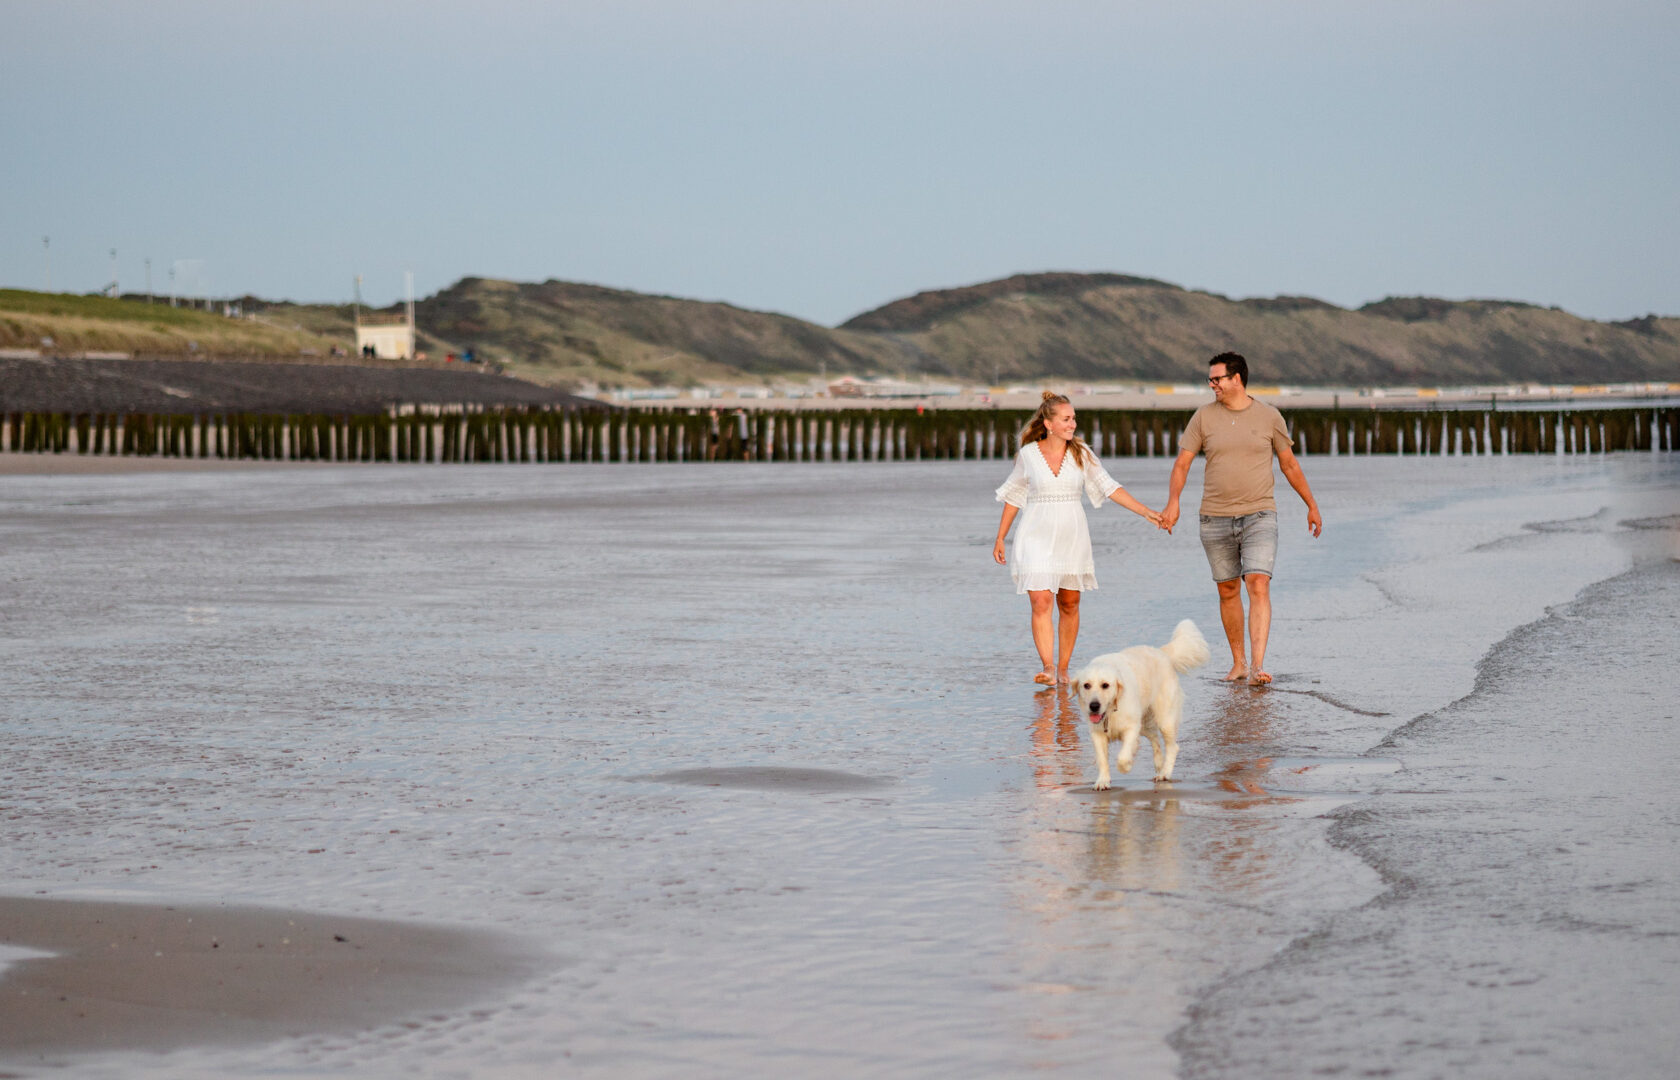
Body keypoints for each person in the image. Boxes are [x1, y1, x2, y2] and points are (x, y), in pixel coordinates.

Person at [1161, 352, 1322, 686]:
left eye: (1217, 378)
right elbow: (1182, 463)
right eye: (1210, 379)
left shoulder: (1269, 416)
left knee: (1258, 582)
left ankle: (1258, 666)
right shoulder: (1203, 417)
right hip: (1214, 517)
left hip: (1260, 514)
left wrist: (1311, 504)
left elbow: (1289, 464)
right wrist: (1173, 503)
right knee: (1228, 589)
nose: (1212, 384)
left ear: (1237, 379)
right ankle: (1239, 663)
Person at [994, 392, 1165, 686]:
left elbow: (1109, 487)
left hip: (1071, 536)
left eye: (1073, 418)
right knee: (1040, 600)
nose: (1073, 424)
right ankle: (1048, 667)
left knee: (1070, 603)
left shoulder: (1081, 452)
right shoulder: (1028, 455)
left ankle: (1062, 668)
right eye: (1066, 419)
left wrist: (1146, 512)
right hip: (1035, 534)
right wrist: (1000, 537)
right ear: (1048, 423)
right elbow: (1014, 495)